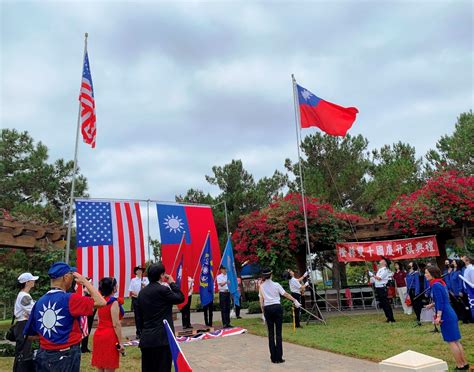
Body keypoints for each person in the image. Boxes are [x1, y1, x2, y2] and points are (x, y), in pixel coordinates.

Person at [24, 262, 106, 372]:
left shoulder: (39, 302)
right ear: (66, 277)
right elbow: (101, 302)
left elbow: (30, 334)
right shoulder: (70, 299)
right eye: (72, 277)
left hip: (43, 355)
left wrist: (51, 336)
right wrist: (85, 282)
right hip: (66, 356)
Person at [136, 262, 185, 372]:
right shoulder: (163, 290)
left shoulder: (142, 293)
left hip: (147, 338)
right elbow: (180, 298)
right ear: (161, 275)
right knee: (163, 368)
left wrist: (140, 332)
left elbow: (138, 317)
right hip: (162, 339)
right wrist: (172, 283)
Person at [424, 266, 469, 371]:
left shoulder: (435, 285)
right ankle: (464, 363)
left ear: (432, 274)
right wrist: (432, 305)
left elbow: (441, 302)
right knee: (456, 341)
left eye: (427, 273)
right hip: (450, 312)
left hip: (446, 315)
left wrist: (438, 316)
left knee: (451, 341)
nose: (425, 275)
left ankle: (460, 365)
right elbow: (444, 299)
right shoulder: (440, 283)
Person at [259, 267, 301, 364]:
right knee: (278, 333)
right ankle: (279, 357)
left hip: (267, 308)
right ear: (271, 274)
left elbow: (261, 301)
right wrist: (295, 300)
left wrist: (263, 313)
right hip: (277, 307)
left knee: (270, 333)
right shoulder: (276, 284)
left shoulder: (261, 286)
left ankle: (273, 358)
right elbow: (285, 294)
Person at [91, 277, 124, 372]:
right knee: (109, 367)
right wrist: (120, 342)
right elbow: (116, 324)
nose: (117, 286)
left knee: (100, 367)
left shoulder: (101, 301)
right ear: (113, 288)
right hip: (109, 336)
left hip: (99, 334)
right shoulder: (113, 302)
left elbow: (98, 318)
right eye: (116, 284)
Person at [13, 272, 38, 372]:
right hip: (22, 325)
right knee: (24, 352)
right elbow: (34, 310)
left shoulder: (24, 295)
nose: (34, 281)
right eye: (32, 280)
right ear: (27, 282)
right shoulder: (24, 296)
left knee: (23, 351)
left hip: (22, 324)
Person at [369, 258, 395, 323]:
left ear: (385, 263)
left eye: (382, 260)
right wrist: (372, 278)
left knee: (386, 304)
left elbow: (380, 278)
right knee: (383, 304)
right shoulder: (380, 269)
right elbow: (376, 279)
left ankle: (391, 318)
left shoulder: (385, 270)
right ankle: (388, 317)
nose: (380, 261)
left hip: (382, 288)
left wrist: (372, 275)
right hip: (378, 288)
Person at [128, 266, 149, 339]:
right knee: (137, 317)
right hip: (136, 299)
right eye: (138, 270)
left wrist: (144, 285)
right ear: (136, 272)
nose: (139, 271)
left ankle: (144, 331)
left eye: (141, 270)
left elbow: (148, 288)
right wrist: (138, 295)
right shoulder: (133, 280)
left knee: (144, 316)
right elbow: (131, 290)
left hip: (144, 300)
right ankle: (138, 332)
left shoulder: (146, 279)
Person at [81, 278, 96, 353]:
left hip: (90, 314)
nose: (92, 285)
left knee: (88, 330)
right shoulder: (84, 293)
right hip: (86, 315)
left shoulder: (90, 293)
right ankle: (83, 347)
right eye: (91, 283)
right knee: (85, 329)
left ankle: (85, 346)